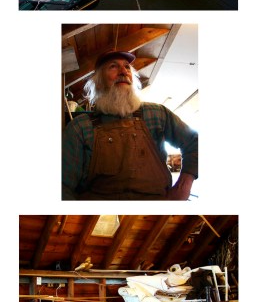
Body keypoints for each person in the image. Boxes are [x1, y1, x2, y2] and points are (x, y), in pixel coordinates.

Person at [62, 50, 198, 200]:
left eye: (127, 67)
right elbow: (63, 187)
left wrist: (182, 187)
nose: (123, 72)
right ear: (98, 82)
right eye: (113, 66)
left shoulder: (157, 113)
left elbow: (195, 142)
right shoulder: (80, 127)